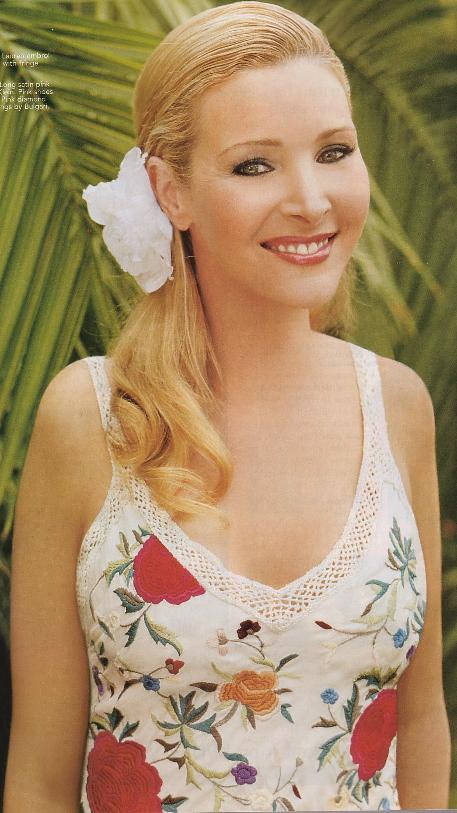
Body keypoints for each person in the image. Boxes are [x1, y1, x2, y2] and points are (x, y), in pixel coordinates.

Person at [4, 2, 451, 811]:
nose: (310, 200)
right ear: (169, 191)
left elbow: (419, 726)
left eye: (333, 152)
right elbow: (38, 773)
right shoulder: (93, 417)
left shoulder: (397, 405)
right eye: (255, 165)